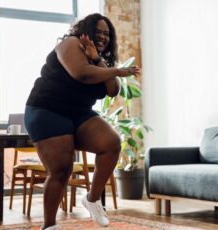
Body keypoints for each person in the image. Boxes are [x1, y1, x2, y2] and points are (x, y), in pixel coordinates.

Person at [24, 13, 140, 230]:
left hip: (79, 113)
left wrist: (99, 60)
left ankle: (93, 199)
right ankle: (49, 226)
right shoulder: (70, 43)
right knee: (61, 169)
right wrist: (116, 70)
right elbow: (81, 73)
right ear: (86, 31)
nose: (103, 37)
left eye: (107, 34)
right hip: (47, 109)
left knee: (111, 143)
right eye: (98, 32)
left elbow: (113, 90)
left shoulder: (100, 59)